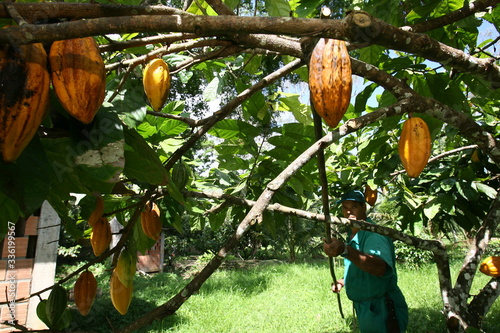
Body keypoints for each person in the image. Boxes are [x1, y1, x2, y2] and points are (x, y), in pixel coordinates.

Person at [323, 190, 408, 333]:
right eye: (345, 207)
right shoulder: (354, 235)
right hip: (366, 307)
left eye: (354, 206)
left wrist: (345, 250)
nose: (349, 211)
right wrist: (344, 281)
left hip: (382, 308)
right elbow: (361, 264)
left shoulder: (374, 234)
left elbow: (380, 267)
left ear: (364, 207)